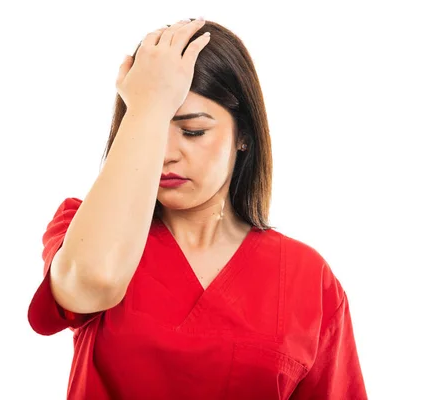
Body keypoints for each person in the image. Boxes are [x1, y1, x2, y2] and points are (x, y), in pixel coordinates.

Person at [28, 17, 368, 399]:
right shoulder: (84, 228)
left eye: (192, 131)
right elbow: (93, 281)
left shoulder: (308, 278)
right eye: (153, 131)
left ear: (243, 136)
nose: (165, 155)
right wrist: (145, 108)